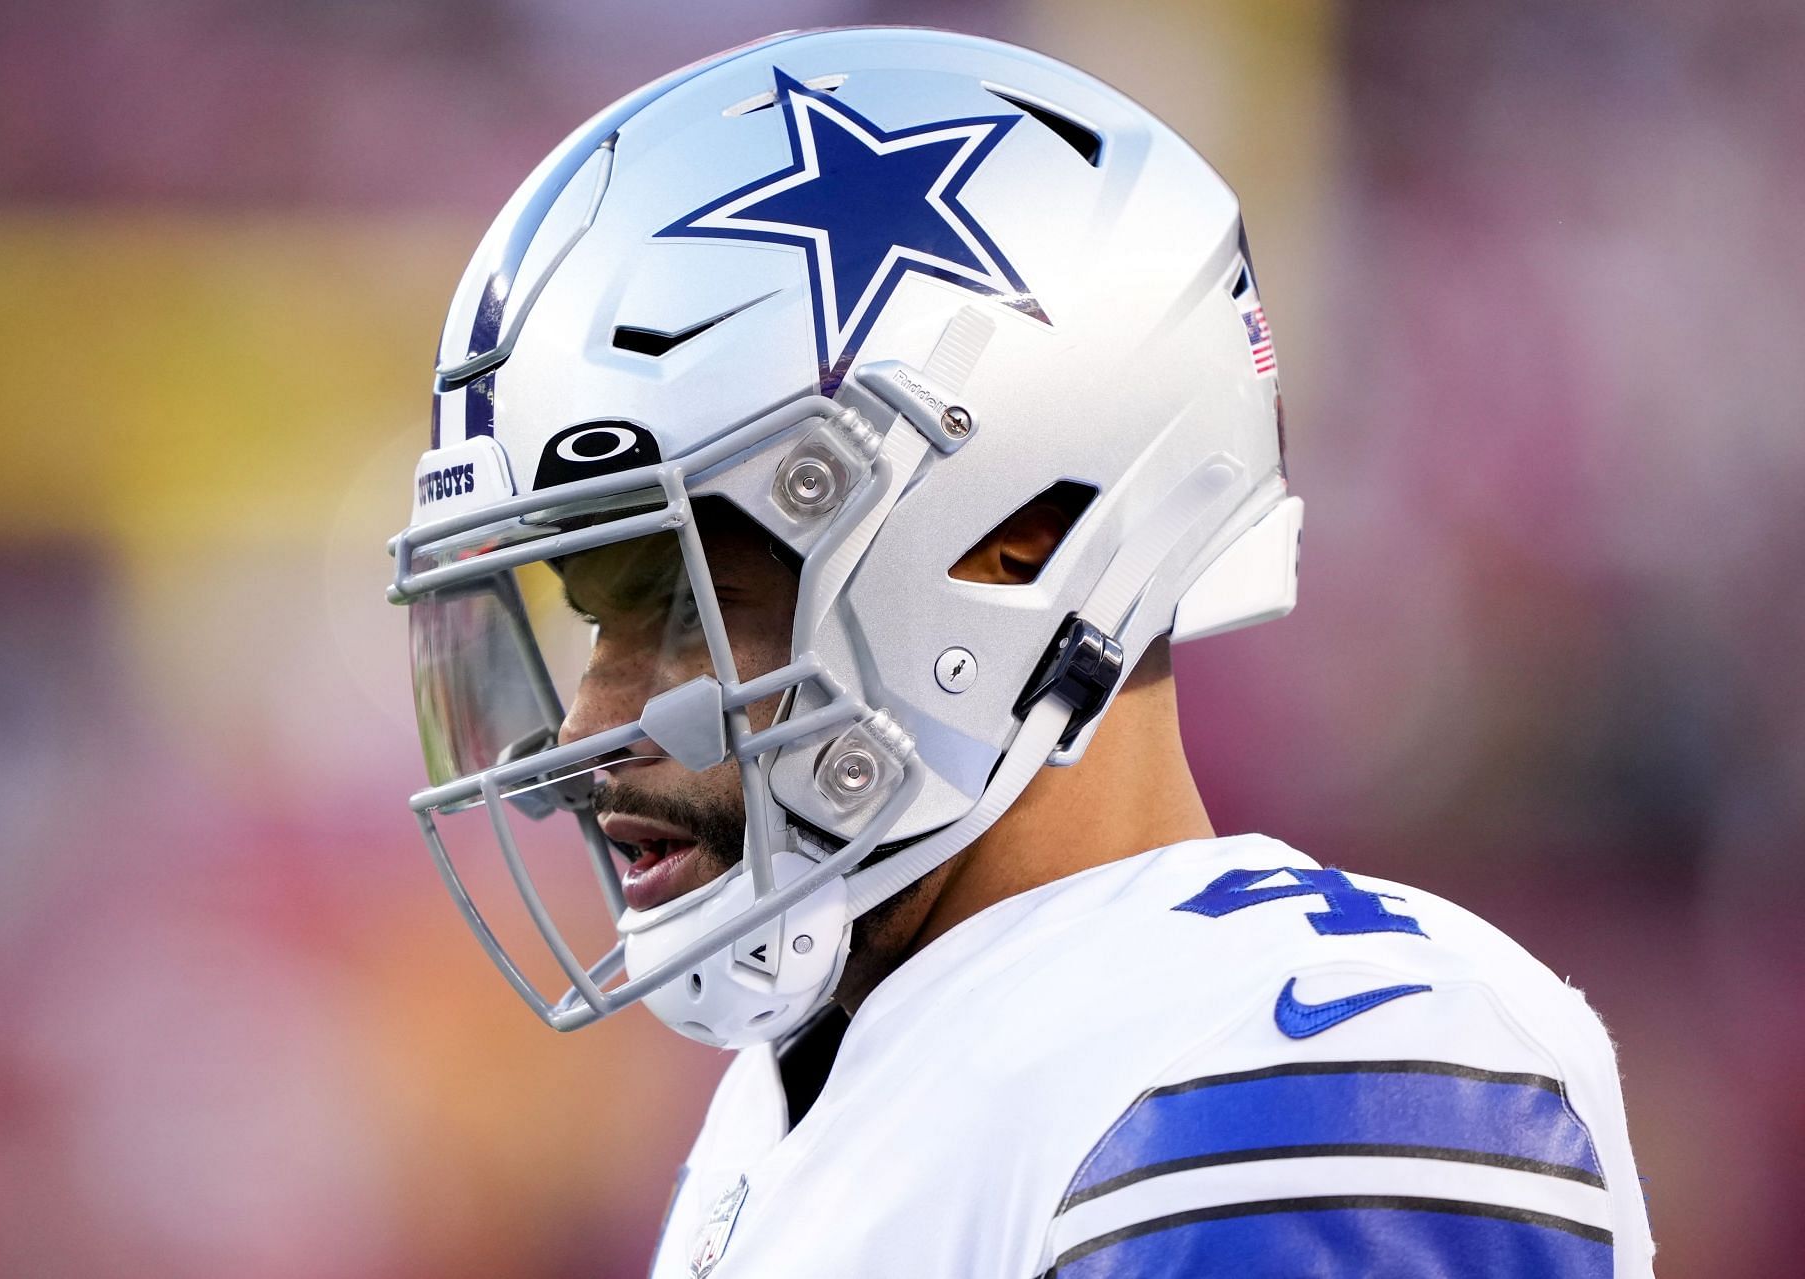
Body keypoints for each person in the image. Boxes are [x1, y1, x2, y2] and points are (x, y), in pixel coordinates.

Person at [386, 26, 1655, 1277]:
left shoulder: (1297, 1061)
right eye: (596, 615)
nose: (584, 727)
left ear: (1015, 537)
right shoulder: (824, 1084)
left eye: (681, 607)